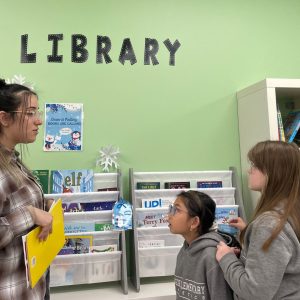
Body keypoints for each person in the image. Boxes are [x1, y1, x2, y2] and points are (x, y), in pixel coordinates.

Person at [216, 140, 300, 300]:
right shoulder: (290, 212)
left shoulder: (268, 225)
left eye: (254, 165)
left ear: (273, 172)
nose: (249, 170)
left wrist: (226, 257)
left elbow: (254, 293)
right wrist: (249, 233)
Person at [0, 78, 53, 300]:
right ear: (4, 118)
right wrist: (30, 214)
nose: (38, 121)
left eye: (37, 112)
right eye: (30, 113)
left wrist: (45, 206)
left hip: (31, 286)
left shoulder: (12, 160)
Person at [167, 190, 234, 300]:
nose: (169, 216)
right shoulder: (184, 250)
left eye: (177, 210)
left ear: (194, 222)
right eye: (171, 209)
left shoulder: (211, 256)